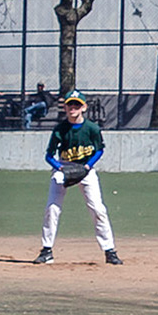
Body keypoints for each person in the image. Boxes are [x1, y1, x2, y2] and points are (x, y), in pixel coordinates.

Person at [35, 90, 120, 265]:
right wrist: (60, 168)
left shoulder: (92, 128)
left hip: (85, 169)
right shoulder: (60, 129)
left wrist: (87, 167)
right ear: (65, 107)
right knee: (52, 208)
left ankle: (109, 251)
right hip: (63, 167)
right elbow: (49, 156)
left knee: (98, 209)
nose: (73, 107)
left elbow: (99, 150)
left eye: (77, 104)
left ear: (84, 107)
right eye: (70, 104)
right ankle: (46, 250)